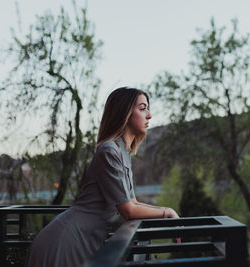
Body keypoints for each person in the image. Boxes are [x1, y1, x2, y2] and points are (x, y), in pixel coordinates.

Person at [26, 87, 180, 267]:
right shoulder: (109, 150)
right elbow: (128, 210)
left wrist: (167, 210)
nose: (149, 115)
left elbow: (133, 202)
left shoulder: (123, 153)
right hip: (67, 239)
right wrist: (167, 213)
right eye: (143, 108)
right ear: (125, 113)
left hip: (86, 238)